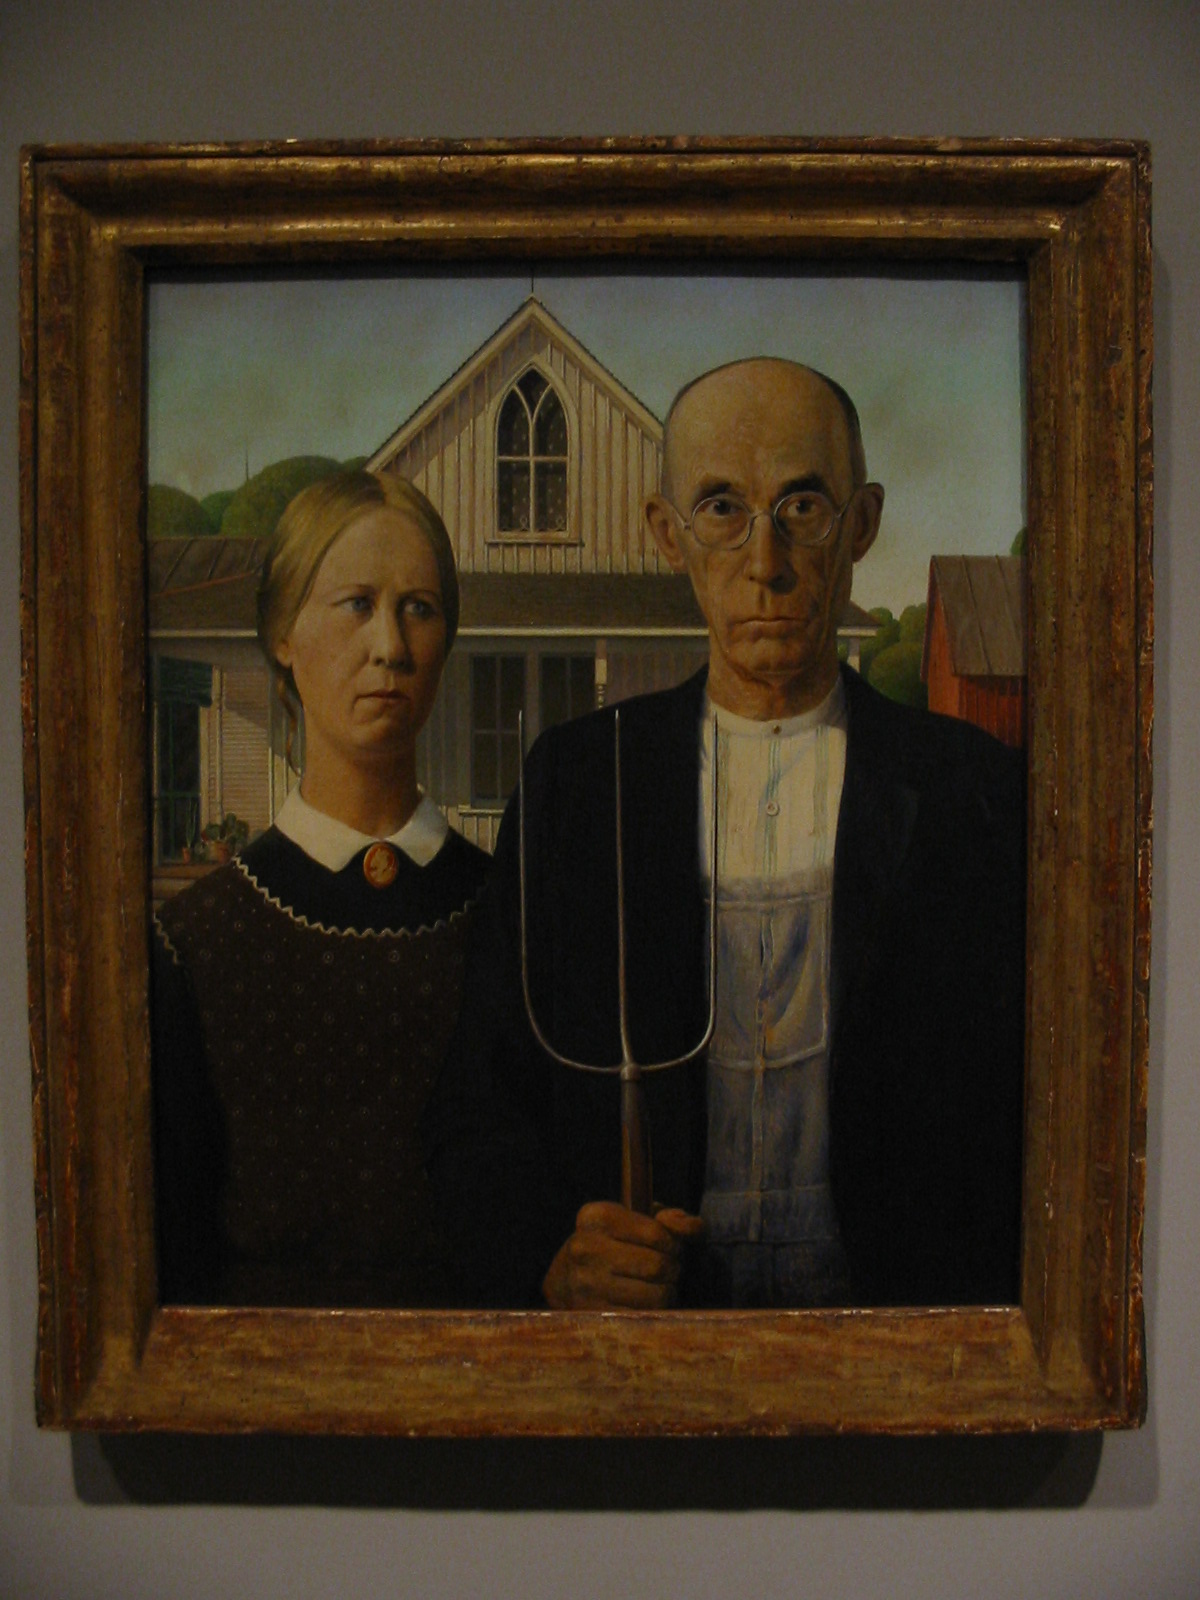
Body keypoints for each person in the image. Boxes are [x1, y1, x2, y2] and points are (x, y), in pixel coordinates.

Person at [426, 358, 1026, 1311]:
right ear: (667, 534)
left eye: (802, 507)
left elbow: (1021, 1119)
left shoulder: (969, 792)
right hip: (651, 1342)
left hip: (895, 1339)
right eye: (721, 509)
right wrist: (549, 1260)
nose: (765, 562)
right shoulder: (580, 785)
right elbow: (484, 1107)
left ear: (863, 523)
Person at [152, 470, 490, 1306]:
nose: (391, 647)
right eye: (356, 605)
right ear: (282, 635)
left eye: (419, 608)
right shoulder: (194, 942)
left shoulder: (511, 911)